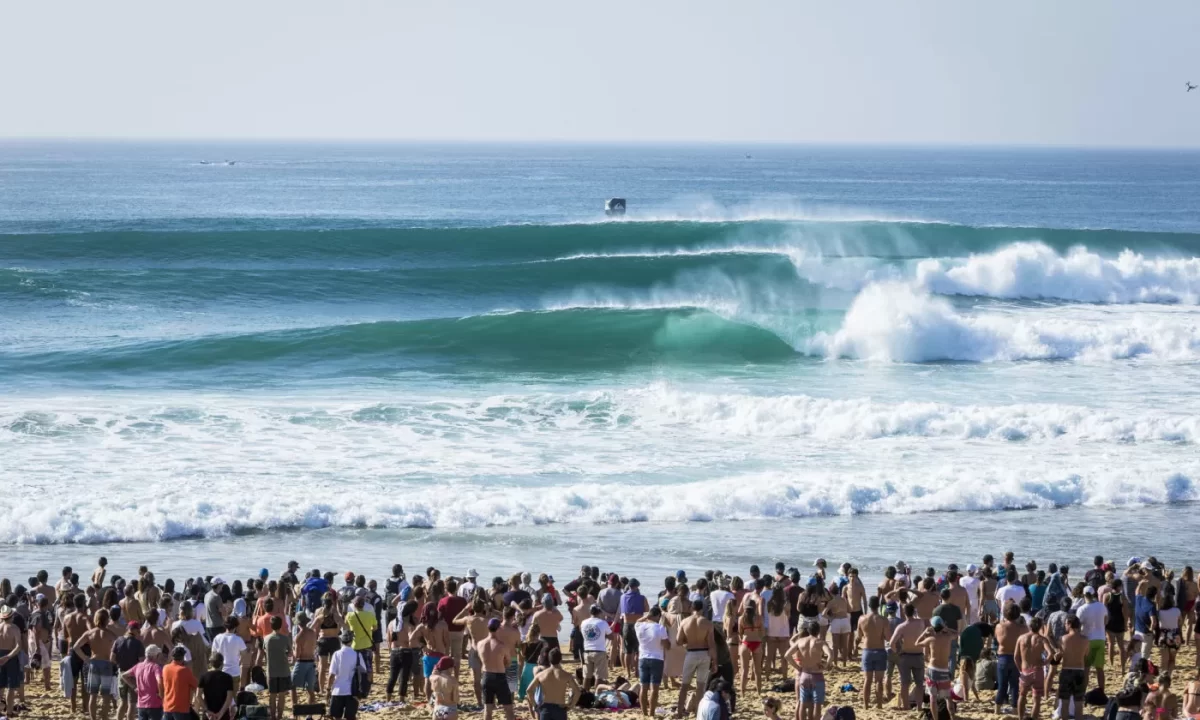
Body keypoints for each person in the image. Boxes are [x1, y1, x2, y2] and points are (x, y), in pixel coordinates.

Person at [75, 608, 119, 720]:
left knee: (93, 695)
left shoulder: (90, 633)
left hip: (93, 663)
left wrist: (85, 658)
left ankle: (93, 718)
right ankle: (104, 717)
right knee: (106, 696)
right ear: (107, 620)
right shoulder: (111, 635)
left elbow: (76, 647)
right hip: (106, 664)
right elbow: (118, 650)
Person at [677, 598, 716, 716]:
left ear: (691, 608)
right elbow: (712, 644)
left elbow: (678, 641)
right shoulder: (707, 623)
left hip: (691, 653)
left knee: (684, 685)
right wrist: (714, 661)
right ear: (702, 609)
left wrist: (687, 641)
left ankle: (679, 711)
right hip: (704, 653)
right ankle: (699, 712)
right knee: (701, 685)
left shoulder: (685, 621)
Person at [917, 617, 956, 720]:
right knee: (948, 697)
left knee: (932, 698)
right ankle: (952, 717)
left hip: (932, 670)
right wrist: (946, 628)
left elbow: (917, 643)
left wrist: (924, 632)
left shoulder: (931, 639)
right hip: (944, 670)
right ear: (942, 626)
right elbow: (957, 633)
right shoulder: (948, 637)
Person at [635, 605, 671, 718]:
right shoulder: (660, 628)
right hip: (657, 658)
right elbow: (667, 646)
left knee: (643, 687)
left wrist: (647, 615)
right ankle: (651, 713)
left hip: (643, 658)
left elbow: (637, 620)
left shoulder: (639, 626)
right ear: (658, 616)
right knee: (654, 688)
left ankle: (644, 712)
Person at [788, 622, 828, 720]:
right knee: (817, 705)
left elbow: (787, 655)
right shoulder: (820, 642)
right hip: (816, 675)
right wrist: (826, 665)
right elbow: (830, 654)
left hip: (804, 674)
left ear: (808, 630)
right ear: (818, 631)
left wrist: (797, 667)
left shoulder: (800, 641)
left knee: (802, 702)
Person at [478, 618, 515, 720]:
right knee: (508, 708)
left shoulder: (480, 644)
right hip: (499, 677)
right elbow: (508, 662)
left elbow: (482, 659)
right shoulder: (502, 645)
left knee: (488, 708)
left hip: (486, 675)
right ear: (499, 629)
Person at [525, 648, 579, 720]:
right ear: (560, 660)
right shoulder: (566, 675)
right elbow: (577, 691)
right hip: (560, 707)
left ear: (549, 660)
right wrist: (571, 705)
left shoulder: (541, 674)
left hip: (546, 707)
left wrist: (535, 705)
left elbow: (529, 690)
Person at [890, 603, 924, 710]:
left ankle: (906, 706)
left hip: (906, 655)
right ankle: (919, 706)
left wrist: (896, 652)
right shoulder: (920, 623)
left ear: (904, 613)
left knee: (905, 683)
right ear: (913, 612)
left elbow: (891, 643)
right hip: (918, 655)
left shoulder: (902, 626)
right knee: (919, 684)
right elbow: (919, 620)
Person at [1015, 616, 1050, 720]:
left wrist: (1020, 670)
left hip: (1025, 670)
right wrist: (1045, 662)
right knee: (1037, 698)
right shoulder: (1041, 639)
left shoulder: (1021, 638)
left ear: (1029, 626)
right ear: (1040, 627)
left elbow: (1016, 657)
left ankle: (1021, 718)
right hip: (1037, 670)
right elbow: (1051, 653)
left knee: (1022, 695)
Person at [857, 595, 888, 710]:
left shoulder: (861, 619)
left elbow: (859, 636)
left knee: (867, 680)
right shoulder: (883, 620)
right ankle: (879, 704)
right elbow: (887, 637)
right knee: (879, 681)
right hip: (880, 650)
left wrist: (855, 646)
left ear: (869, 606)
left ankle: (866, 705)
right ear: (878, 606)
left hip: (867, 651)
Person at [1074, 585, 1108, 693]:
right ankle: (1101, 691)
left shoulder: (1082, 609)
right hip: (1100, 638)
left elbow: (1078, 626)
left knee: (1086, 668)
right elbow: (1106, 619)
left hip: (1088, 639)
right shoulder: (1101, 606)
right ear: (1094, 594)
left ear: (1083, 595)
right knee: (1099, 668)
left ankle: (1083, 691)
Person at [114, 621, 147, 720]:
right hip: (134, 675)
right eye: (138, 630)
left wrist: (120, 664)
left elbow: (112, 658)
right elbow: (141, 661)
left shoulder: (118, 640)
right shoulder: (138, 644)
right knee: (132, 704)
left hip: (122, 673)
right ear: (135, 630)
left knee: (123, 702)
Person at [994, 602, 1024, 714]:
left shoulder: (999, 626)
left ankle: (997, 709)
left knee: (1002, 685)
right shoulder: (1022, 628)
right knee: (1015, 685)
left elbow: (997, 639)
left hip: (1003, 656)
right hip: (1016, 657)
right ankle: (1015, 708)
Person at [328, 632, 366, 720]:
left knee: (337, 717)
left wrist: (328, 689)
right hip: (353, 691)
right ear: (352, 641)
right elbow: (364, 671)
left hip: (337, 690)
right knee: (351, 717)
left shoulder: (336, 654)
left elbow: (331, 675)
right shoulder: (357, 655)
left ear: (341, 641)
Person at [1057, 615, 1088, 720]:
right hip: (1080, 671)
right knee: (1078, 703)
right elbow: (1086, 654)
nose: (1065, 626)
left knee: (1064, 702)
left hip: (1066, 671)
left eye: (1066, 623)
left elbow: (1060, 655)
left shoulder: (1063, 639)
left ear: (1069, 624)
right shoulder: (1085, 640)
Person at [124, 644, 165, 720]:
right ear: (155, 656)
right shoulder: (155, 667)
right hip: (154, 704)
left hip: (141, 704)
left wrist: (134, 687)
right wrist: (161, 694)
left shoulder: (138, 666)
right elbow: (159, 680)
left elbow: (124, 676)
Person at [264, 616, 293, 720]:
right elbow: (290, 653)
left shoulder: (266, 638)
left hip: (271, 671)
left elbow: (265, 651)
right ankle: (279, 717)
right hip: (284, 670)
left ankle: (273, 717)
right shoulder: (285, 638)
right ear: (281, 626)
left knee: (272, 696)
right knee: (281, 696)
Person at [209, 617, 246, 693]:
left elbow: (213, 654)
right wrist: (239, 661)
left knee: (221, 695)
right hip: (234, 671)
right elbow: (244, 653)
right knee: (234, 696)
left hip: (221, 670)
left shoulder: (217, 637)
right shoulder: (238, 639)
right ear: (236, 626)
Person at [290, 611, 318, 708]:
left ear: (298, 623)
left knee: (292, 686)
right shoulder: (312, 633)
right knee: (310, 690)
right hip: (311, 662)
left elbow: (297, 655)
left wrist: (292, 651)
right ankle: (309, 714)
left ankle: (295, 710)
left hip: (301, 662)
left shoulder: (298, 637)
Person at [579, 605, 611, 690]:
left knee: (587, 676)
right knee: (599, 676)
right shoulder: (602, 623)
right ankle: (597, 694)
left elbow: (582, 633)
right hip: (599, 651)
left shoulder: (583, 622)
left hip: (587, 651)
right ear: (599, 612)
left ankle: (585, 694)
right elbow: (611, 636)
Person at [162, 646, 197, 720]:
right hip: (181, 708)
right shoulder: (184, 670)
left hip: (167, 706)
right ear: (183, 657)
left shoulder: (165, 668)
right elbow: (195, 685)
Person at [198, 652, 235, 720]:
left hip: (209, 715)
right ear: (222, 664)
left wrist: (207, 711)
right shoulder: (228, 678)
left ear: (210, 664)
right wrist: (221, 713)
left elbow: (198, 695)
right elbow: (229, 698)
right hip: (223, 714)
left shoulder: (203, 677)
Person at [0, 606, 22, 720]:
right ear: (11, 616)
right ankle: (9, 712)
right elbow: (18, 646)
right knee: (10, 687)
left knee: (0, 686)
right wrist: (8, 657)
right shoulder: (14, 628)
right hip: (10, 657)